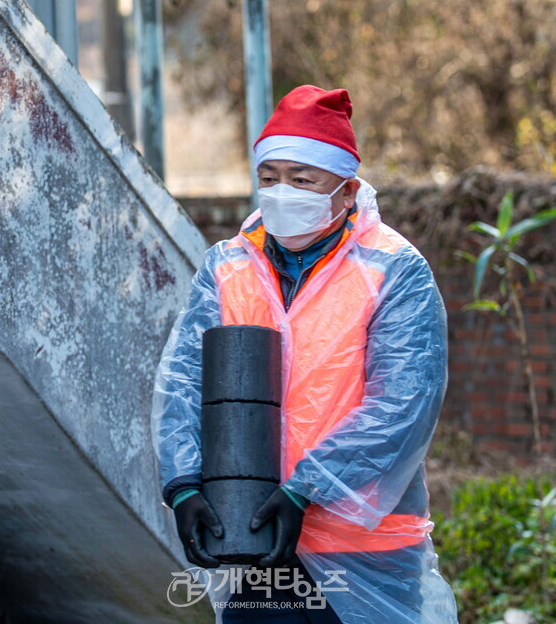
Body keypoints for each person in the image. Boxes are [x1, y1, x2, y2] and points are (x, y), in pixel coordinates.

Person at [152, 85, 459, 624]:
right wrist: (183, 486)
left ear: (345, 191)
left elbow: (404, 405)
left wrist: (306, 489)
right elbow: (184, 384)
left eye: (303, 179)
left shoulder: (395, 269)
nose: (281, 192)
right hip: (251, 530)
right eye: (269, 177)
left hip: (363, 541)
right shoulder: (227, 266)